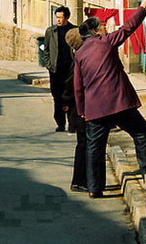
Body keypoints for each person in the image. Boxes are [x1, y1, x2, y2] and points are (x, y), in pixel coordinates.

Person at [73, 0, 146, 198]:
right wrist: (143, 5)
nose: (106, 28)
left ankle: (95, 188)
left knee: (95, 148)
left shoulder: (80, 54)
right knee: (142, 134)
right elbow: (128, 27)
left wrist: (82, 110)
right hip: (118, 103)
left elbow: (78, 87)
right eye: (102, 26)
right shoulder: (107, 42)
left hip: (94, 109)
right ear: (94, 31)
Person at [43, 6, 76, 131]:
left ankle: (72, 124)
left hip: (70, 70)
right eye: (57, 17)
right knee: (57, 97)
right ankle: (60, 123)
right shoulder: (51, 31)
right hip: (56, 70)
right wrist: (49, 65)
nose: (58, 20)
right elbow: (46, 49)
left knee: (71, 97)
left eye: (61, 18)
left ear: (67, 17)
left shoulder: (74, 30)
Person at [62, 28, 86, 193]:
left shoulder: (77, 57)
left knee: (84, 144)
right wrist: (66, 101)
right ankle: (78, 181)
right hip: (78, 110)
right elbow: (70, 86)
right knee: (83, 144)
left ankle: (82, 180)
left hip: (77, 109)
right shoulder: (78, 60)